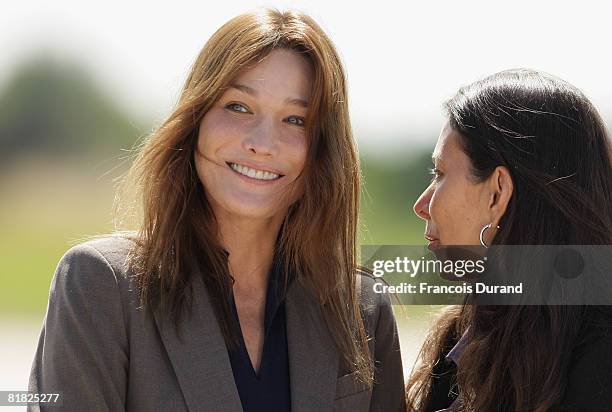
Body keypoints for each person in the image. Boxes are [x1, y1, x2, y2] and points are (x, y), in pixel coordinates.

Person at [29, 9, 406, 411]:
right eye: (239, 107)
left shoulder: (361, 308)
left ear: (322, 152)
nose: (263, 143)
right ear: (196, 121)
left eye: (296, 119)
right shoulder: (100, 285)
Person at [408, 69, 612, 411]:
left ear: (497, 193)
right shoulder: (464, 337)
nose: (421, 205)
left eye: (440, 174)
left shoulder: (599, 360)